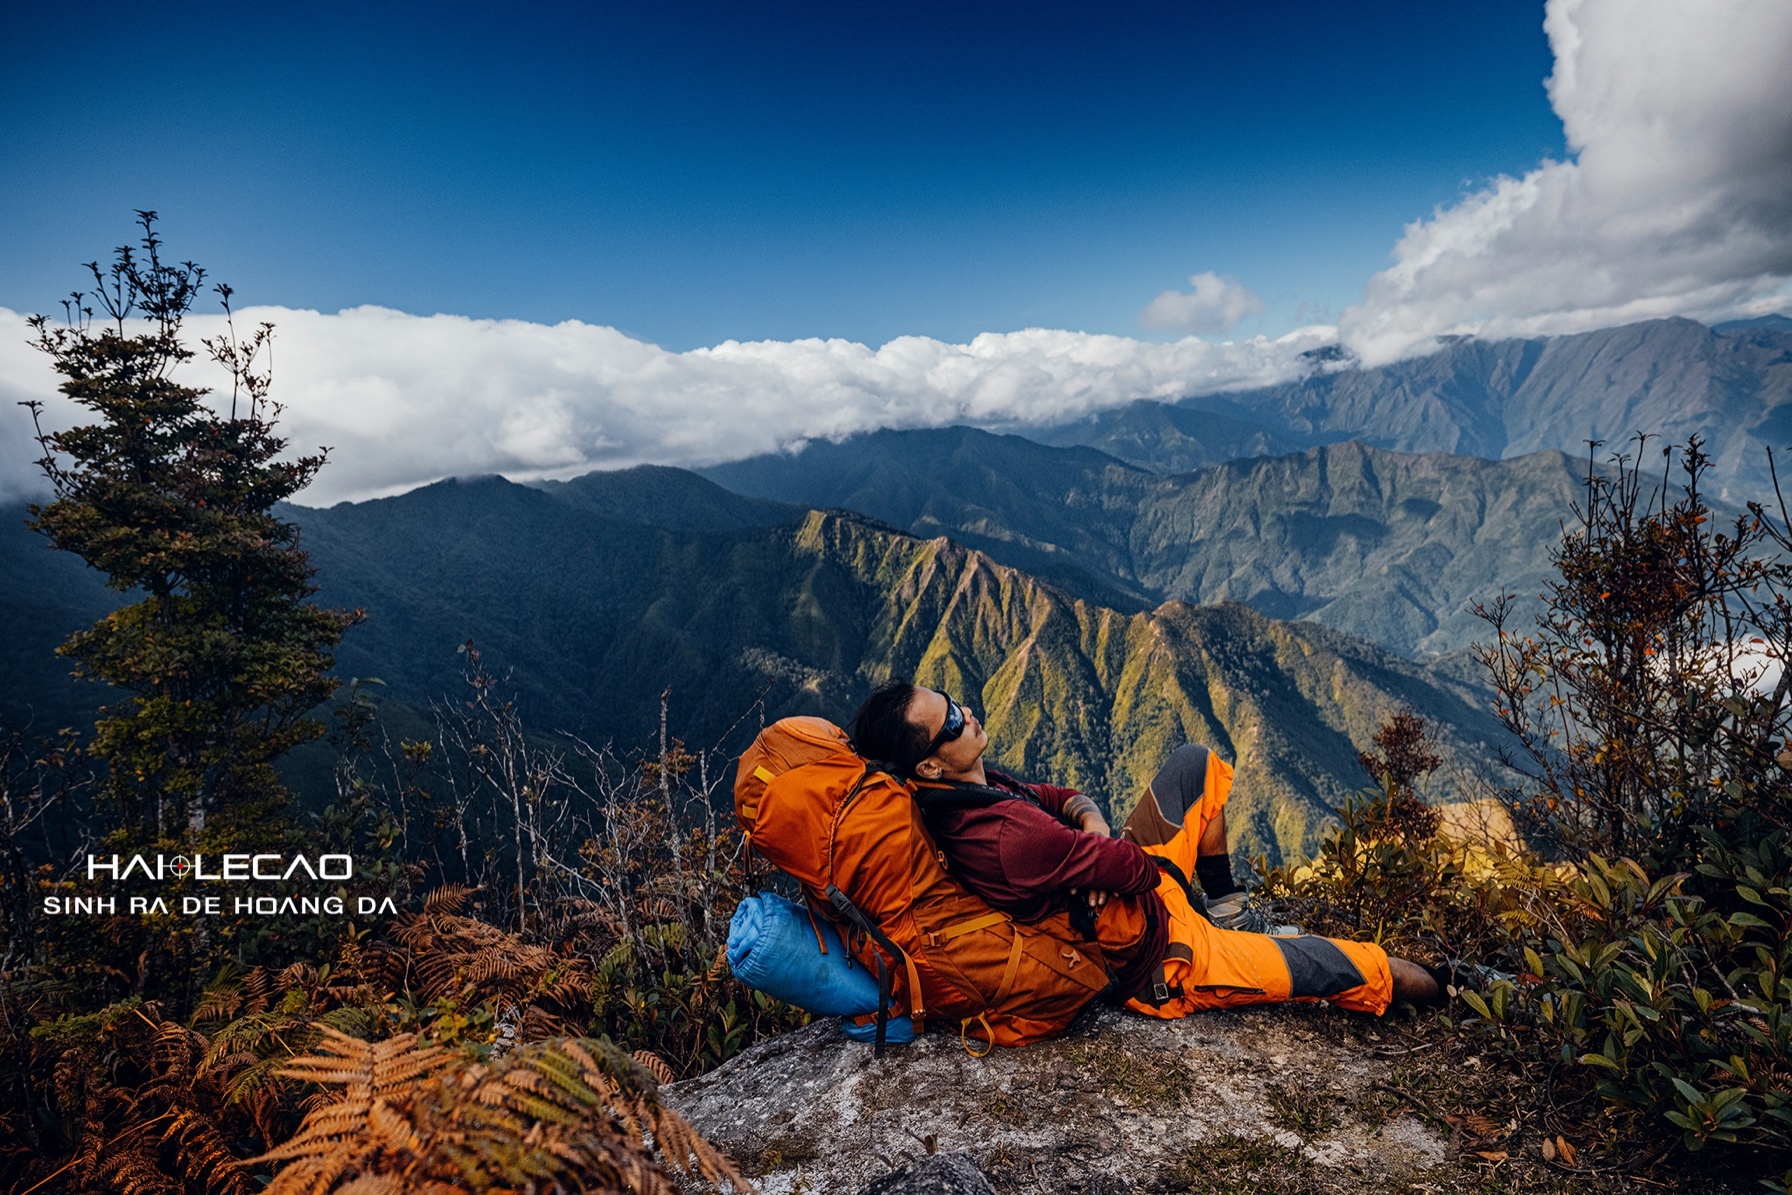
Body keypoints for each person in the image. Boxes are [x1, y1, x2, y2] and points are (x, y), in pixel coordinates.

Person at [848, 678, 1448, 1018]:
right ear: (927, 762)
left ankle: (1231, 911)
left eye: (953, 702)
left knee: (1196, 765)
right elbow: (1133, 868)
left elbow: (1063, 794)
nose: (965, 713)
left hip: (1140, 896)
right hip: (1162, 958)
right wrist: (1097, 854)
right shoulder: (1008, 837)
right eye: (950, 723)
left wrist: (1091, 836)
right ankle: (1460, 986)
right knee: (1347, 965)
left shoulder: (968, 790)